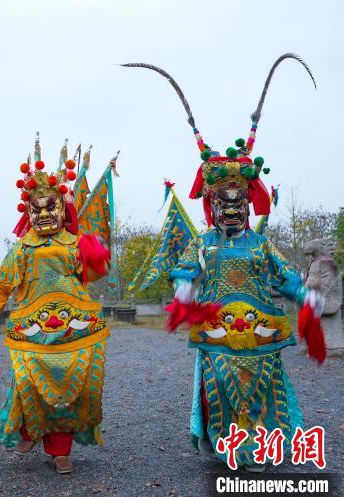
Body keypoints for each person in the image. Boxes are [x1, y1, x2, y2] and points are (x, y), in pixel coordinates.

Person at [123, 54, 326, 472]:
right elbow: (185, 266)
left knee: (263, 390)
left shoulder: (260, 245)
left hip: (260, 332)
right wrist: (184, 284)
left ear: (248, 205)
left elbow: (284, 275)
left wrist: (305, 295)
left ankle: (258, 446)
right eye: (222, 202)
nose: (230, 209)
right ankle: (227, 444)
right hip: (218, 332)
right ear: (212, 205)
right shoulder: (204, 244)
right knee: (221, 388)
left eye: (238, 202)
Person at [0, 136, 112, 474]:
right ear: (27, 211)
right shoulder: (21, 251)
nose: (45, 214)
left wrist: (97, 253)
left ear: (64, 208)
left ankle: (61, 449)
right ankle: (29, 429)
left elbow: (92, 273)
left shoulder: (75, 244)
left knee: (68, 387)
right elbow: (2, 284)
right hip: (32, 329)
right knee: (28, 382)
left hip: (73, 329)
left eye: (51, 207)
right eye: (37, 209)